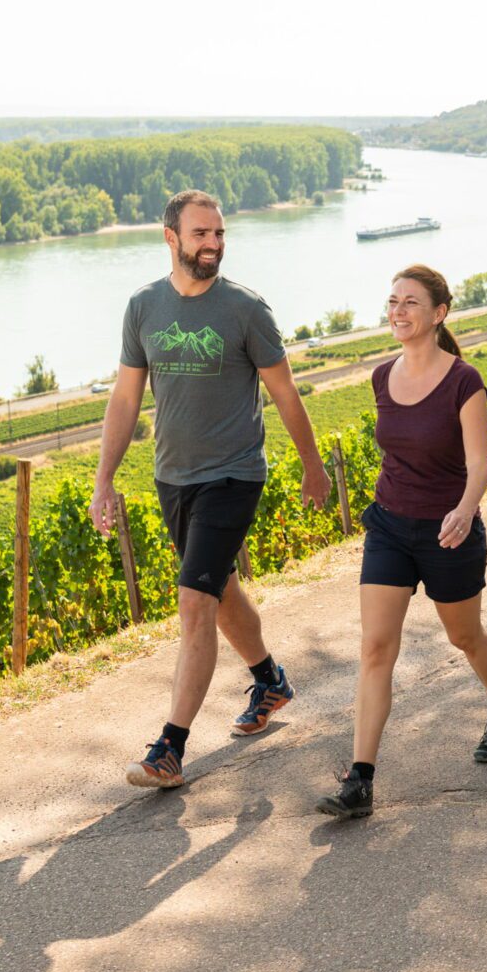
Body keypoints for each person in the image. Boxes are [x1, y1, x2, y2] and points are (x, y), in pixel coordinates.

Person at [91, 189, 330, 789]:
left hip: (234, 474)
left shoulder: (245, 310)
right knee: (218, 591)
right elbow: (125, 399)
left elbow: (284, 393)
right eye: (202, 234)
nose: (214, 244)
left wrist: (313, 465)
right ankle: (270, 680)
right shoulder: (143, 306)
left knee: (194, 602)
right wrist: (104, 480)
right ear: (170, 237)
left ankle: (170, 748)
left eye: (219, 234)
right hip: (172, 477)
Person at [317, 264, 487, 820]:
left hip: (448, 532)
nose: (398, 311)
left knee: (466, 637)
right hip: (388, 526)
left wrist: (464, 508)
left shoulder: (463, 381)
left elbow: (480, 463)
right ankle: (360, 780)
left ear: (439, 313)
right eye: (392, 301)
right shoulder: (382, 377)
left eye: (410, 302)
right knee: (376, 647)